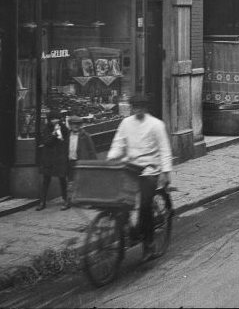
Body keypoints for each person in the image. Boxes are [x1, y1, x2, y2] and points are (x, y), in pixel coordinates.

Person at [107, 93, 172, 261]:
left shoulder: (156, 125)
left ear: (146, 108)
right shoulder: (126, 123)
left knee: (145, 204)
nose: (137, 110)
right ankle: (128, 233)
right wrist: (111, 158)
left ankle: (148, 243)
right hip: (130, 168)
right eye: (134, 107)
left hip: (149, 170)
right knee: (121, 202)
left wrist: (165, 172)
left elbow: (164, 150)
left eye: (140, 107)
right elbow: (118, 143)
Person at [36, 111, 70, 210]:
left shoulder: (64, 128)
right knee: (46, 180)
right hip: (49, 159)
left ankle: (65, 200)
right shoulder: (46, 128)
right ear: (50, 120)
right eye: (53, 119)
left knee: (62, 179)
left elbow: (66, 141)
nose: (55, 121)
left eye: (57, 119)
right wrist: (54, 134)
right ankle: (42, 202)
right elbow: (46, 142)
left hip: (60, 158)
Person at [65, 114, 97, 209]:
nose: (76, 126)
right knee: (71, 181)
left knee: (83, 181)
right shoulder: (67, 135)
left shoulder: (85, 136)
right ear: (70, 125)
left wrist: (94, 163)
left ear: (81, 125)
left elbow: (91, 150)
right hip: (70, 161)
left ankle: (85, 201)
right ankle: (70, 200)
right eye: (74, 124)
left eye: (78, 124)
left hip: (81, 162)